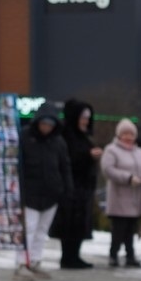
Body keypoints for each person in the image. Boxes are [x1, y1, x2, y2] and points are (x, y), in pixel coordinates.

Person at [15, 106, 72, 281]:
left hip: (51, 193)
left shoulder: (58, 141)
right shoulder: (24, 137)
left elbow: (65, 166)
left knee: (42, 231)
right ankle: (21, 263)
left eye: (50, 124)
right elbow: (17, 164)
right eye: (44, 123)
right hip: (30, 193)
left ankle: (35, 260)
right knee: (28, 229)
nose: (47, 127)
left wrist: (67, 189)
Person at [100, 118, 141, 268]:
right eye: (125, 134)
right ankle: (113, 254)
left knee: (131, 229)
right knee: (119, 229)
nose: (128, 137)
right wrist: (128, 178)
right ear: (119, 135)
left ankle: (130, 255)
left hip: (136, 198)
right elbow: (108, 170)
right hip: (119, 198)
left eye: (131, 134)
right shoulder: (111, 150)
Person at [56, 99, 101, 269]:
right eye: (83, 118)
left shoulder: (84, 136)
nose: (86, 121)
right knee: (70, 223)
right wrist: (88, 156)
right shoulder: (66, 137)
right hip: (71, 187)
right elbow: (69, 160)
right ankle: (68, 257)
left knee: (80, 223)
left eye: (88, 118)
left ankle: (74, 255)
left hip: (84, 188)